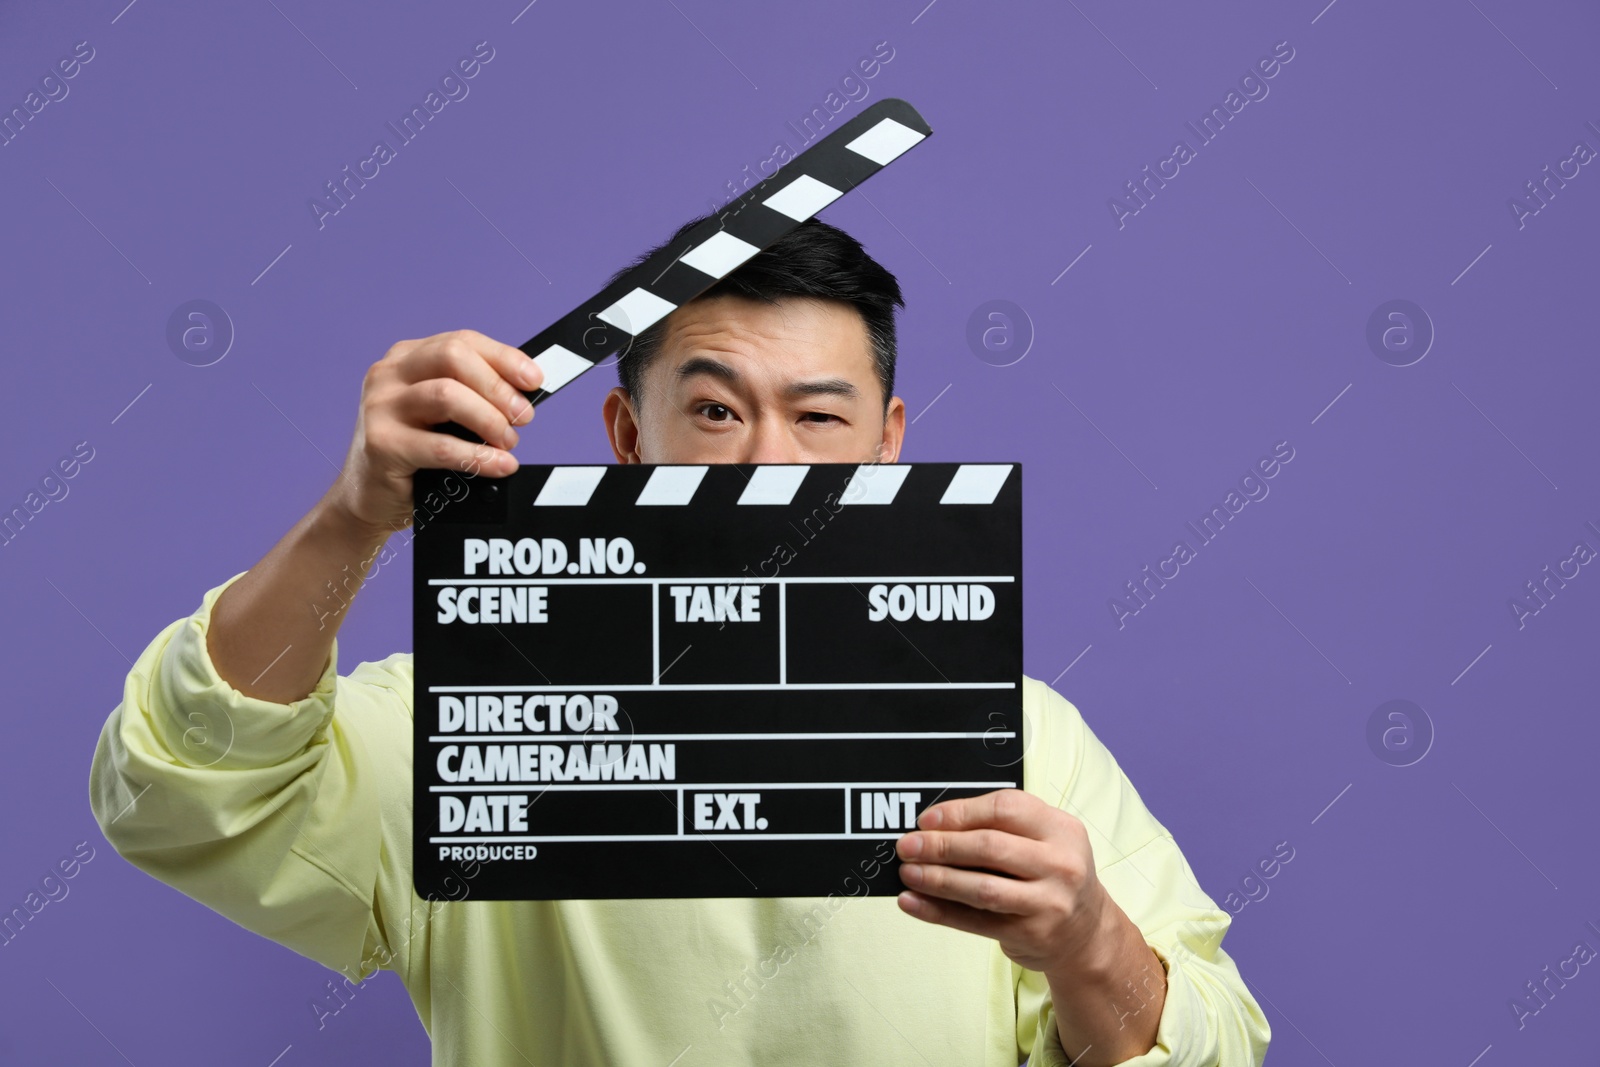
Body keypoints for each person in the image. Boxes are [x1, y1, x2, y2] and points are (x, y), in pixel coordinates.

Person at [88, 214, 1270, 1066]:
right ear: (624, 431)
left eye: (817, 415)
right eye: (713, 409)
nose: (763, 460)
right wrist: (353, 515)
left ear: (887, 443)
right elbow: (184, 790)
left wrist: (1085, 941)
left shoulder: (1016, 735)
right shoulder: (465, 718)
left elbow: (1210, 1045)